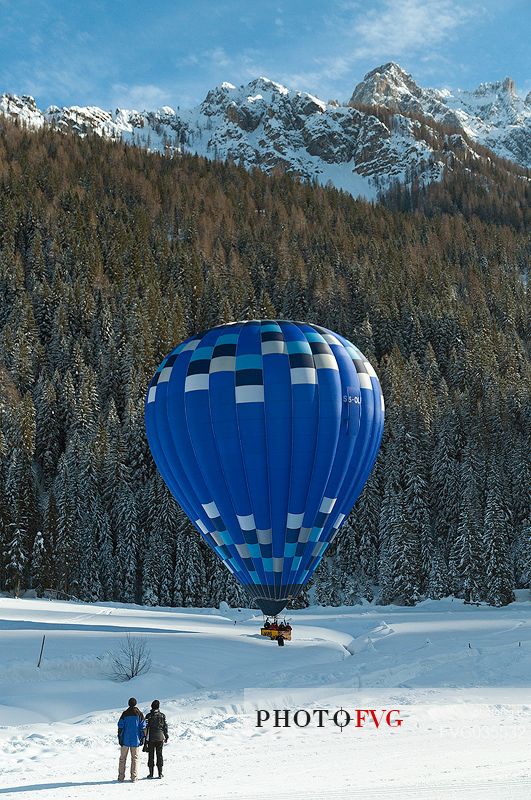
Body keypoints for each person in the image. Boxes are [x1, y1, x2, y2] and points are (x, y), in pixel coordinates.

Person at [117, 697, 146, 783]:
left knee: (122, 759)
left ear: (128, 704)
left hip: (125, 740)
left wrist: (120, 738)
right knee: (135, 759)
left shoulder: (124, 714)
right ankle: (134, 777)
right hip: (135, 740)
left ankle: (121, 777)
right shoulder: (139, 714)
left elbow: (120, 726)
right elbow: (143, 727)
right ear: (135, 704)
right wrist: (142, 738)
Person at [144, 699, 169, 779]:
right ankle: (160, 773)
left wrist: (144, 739)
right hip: (160, 737)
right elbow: (165, 727)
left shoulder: (148, 716)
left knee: (151, 756)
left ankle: (151, 774)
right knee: (159, 755)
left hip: (151, 738)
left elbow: (145, 728)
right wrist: (166, 736)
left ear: (151, 706)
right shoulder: (162, 715)